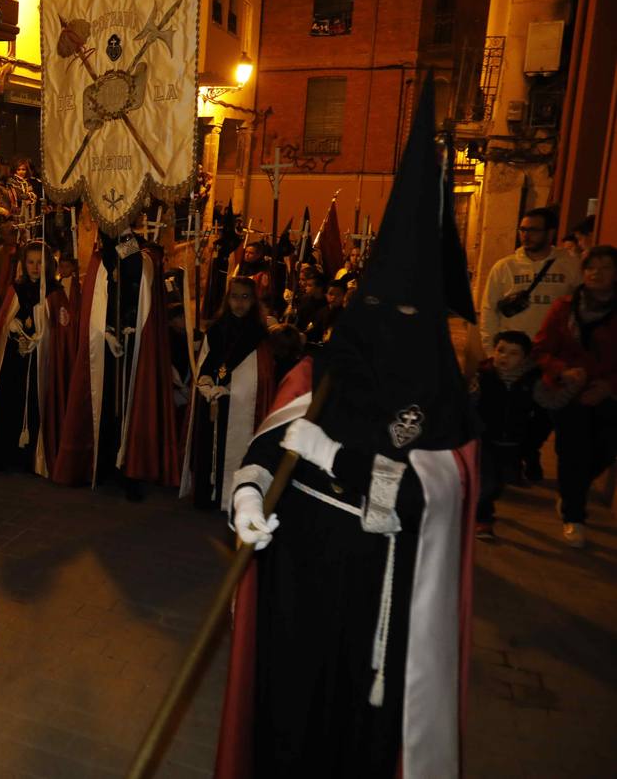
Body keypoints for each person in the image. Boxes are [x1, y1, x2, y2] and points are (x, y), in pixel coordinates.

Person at [215, 84, 477, 778]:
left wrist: (335, 455)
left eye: (405, 309)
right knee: (284, 719)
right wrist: (246, 493)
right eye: (378, 303)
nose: (387, 321)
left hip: (372, 608)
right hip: (294, 579)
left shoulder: (440, 402)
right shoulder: (331, 363)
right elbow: (272, 436)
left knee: (345, 742)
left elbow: (427, 503)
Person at [53, 229, 180, 500]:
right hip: (107, 343)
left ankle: (130, 468)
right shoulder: (100, 259)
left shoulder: (148, 254)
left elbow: (138, 277)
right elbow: (95, 307)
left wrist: (123, 243)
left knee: (131, 404)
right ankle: (101, 461)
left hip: (136, 343)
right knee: (106, 401)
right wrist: (106, 332)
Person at [478, 207, 580, 481]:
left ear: (549, 233)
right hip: (513, 358)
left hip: (549, 357)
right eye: (523, 229)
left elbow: (578, 309)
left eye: (533, 229)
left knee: (546, 413)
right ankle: (512, 460)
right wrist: (492, 351)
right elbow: (488, 310)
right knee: (511, 413)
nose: (526, 235)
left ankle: (529, 451)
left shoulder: (569, 266)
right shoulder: (505, 267)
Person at [531, 244, 617, 548]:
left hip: (606, 396)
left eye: (605, 267)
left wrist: (608, 386)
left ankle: (570, 490)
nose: (596, 273)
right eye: (591, 267)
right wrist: (562, 370)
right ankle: (574, 516)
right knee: (573, 452)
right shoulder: (564, 307)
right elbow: (541, 349)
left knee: (606, 450)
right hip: (567, 393)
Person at [0, 242, 76, 476]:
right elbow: (3, 320)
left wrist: (48, 328)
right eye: (31, 262)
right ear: (24, 264)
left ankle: (32, 457)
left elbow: (64, 328)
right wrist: (10, 327)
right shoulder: (17, 288)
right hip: (15, 359)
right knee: (7, 402)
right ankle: (4, 454)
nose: (35, 267)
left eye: (40, 262)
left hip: (42, 361)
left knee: (36, 403)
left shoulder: (55, 292)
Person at [185, 276, 276, 510]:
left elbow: (261, 375)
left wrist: (233, 389)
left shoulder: (259, 335)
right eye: (235, 297)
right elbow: (205, 362)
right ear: (228, 299)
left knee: (236, 448)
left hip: (242, 404)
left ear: (253, 301)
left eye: (245, 297)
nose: (239, 303)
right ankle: (209, 495)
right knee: (210, 448)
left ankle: (231, 497)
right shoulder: (215, 330)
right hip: (214, 400)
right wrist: (206, 385)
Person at [472, 331, 544, 541]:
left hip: (514, 441)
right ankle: (483, 519)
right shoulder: (484, 376)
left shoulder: (532, 380)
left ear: (525, 358)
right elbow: (470, 403)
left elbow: (547, 404)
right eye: (500, 350)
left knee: (501, 481)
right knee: (489, 481)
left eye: (513, 353)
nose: (504, 357)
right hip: (485, 439)